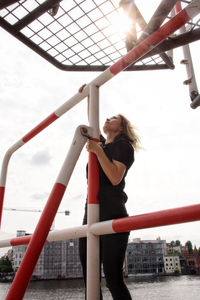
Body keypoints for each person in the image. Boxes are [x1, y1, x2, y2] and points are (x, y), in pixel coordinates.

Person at [79, 87, 140, 300]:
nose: (107, 117)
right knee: (90, 279)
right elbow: (94, 120)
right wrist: (88, 95)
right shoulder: (102, 145)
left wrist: (96, 151)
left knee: (113, 278)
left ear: (121, 127)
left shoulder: (124, 146)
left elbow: (115, 177)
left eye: (113, 117)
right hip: (91, 212)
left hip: (113, 212)